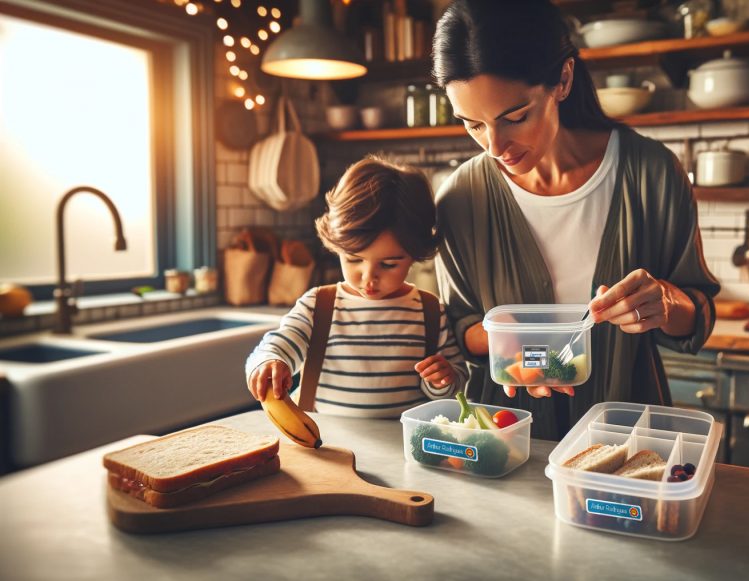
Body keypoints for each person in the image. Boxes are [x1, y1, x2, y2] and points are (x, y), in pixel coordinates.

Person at [430, 0, 720, 439]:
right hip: (505, 442)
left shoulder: (651, 173)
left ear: (562, 80)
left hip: (627, 440)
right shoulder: (460, 198)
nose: (494, 146)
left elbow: (697, 314)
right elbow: (459, 329)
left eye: (515, 117)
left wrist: (664, 301)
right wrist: (513, 348)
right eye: (472, 124)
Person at [245, 157, 468, 417]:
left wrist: (441, 381)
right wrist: (270, 362)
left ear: (414, 255)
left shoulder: (430, 311)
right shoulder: (319, 306)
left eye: (389, 264)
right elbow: (277, 345)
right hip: (325, 443)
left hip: (398, 448)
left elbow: (457, 382)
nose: (368, 278)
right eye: (353, 260)